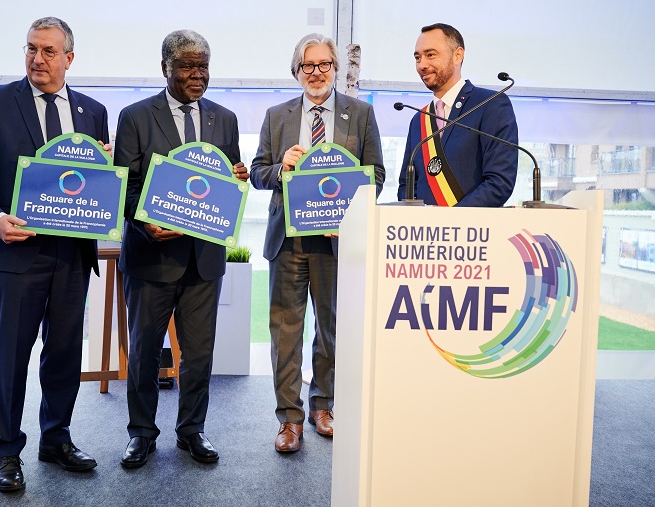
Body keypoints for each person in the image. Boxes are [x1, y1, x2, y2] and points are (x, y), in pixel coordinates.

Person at [0, 17, 108, 492]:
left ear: (69, 58)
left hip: (71, 256)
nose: (37, 59)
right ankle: (5, 449)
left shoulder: (92, 111)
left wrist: (103, 167)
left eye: (48, 51)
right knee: (12, 357)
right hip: (16, 254)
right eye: (31, 49)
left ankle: (55, 439)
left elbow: (97, 182)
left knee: (63, 354)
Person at [114, 29, 249, 468]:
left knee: (199, 354)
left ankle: (192, 430)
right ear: (165, 69)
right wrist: (144, 220)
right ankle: (141, 434)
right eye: (187, 66)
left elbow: (225, 178)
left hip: (203, 260)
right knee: (145, 352)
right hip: (151, 258)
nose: (197, 75)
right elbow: (126, 186)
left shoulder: (224, 119)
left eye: (203, 66)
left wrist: (237, 179)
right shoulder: (134, 116)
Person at [249, 33, 385, 453]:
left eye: (324, 64)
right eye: (308, 66)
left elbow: (375, 175)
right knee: (285, 332)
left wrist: (350, 215)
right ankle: (289, 419)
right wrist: (279, 169)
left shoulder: (360, 115)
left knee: (331, 330)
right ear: (297, 72)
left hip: (336, 242)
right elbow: (256, 172)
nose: (316, 72)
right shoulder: (277, 116)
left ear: (336, 69)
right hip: (287, 240)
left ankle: (322, 405)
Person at [397, 23, 518, 206]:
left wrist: (451, 223)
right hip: (422, 232)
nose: (422, 65)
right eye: (417, 57)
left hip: (473, 231)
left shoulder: (490, 104)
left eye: (430, 55)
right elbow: (406, 186)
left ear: (457, 55)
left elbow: (499, 182)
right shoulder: (419, 119)